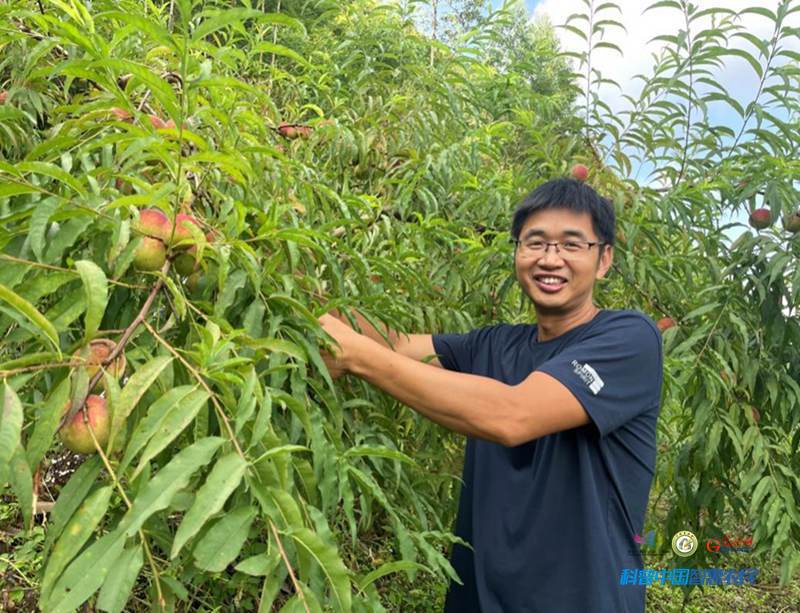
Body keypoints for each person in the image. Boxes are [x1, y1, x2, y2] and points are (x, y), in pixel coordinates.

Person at [318, 178, 663, 612]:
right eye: (535, 242)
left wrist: (354, 355)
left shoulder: (629, 338)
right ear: (517, 252)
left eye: (572, 245)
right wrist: (270, 280)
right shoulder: (495, 346)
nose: (550, 258)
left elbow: (512, 416)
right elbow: (398, 345)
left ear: (604, 259)